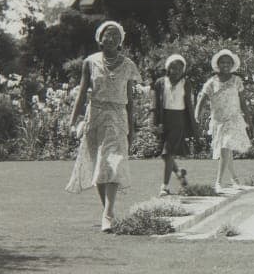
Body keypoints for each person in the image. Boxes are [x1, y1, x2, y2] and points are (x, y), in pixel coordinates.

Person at [66, 20, 141, 231]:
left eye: (116, 35)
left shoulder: (128, 65)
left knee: (114, 162)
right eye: (107, 35)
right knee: (99, 165)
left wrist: (132, 127)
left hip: (118, 117)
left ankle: (107, 213)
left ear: (121, 41)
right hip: (95, 117)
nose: (111, 38)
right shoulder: (90, 62)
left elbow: (130, 99)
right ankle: (108, 213)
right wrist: (73, 121)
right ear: (100, 38)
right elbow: (81, 94)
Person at [195, 49, 252, 193]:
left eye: (228, 62)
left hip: (233, 119)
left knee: (226, 146)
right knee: (227, 151)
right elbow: (201, 100)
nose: (225, 64)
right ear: (217, 64)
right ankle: (235, 179)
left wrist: (249, 121)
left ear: (232, 64)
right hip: (218, 121)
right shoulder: (211, 82)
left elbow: (243, 102)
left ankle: (218, 182)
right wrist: (197, 117)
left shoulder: (237, 81)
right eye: (222, 62)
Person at [152, 53, 198, 197]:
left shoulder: (186, 83)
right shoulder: (160, 82)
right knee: (166, 156)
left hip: (179, 120)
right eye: (173, 67)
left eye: (180, 68)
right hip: (164, 119)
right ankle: (179, 174)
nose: (176, 70)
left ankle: (164, 187)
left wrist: (193, 124)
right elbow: (155, 104)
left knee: (168, 152)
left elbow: (189, 105)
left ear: (183, 69)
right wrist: (155, 123)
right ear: (168, 68)